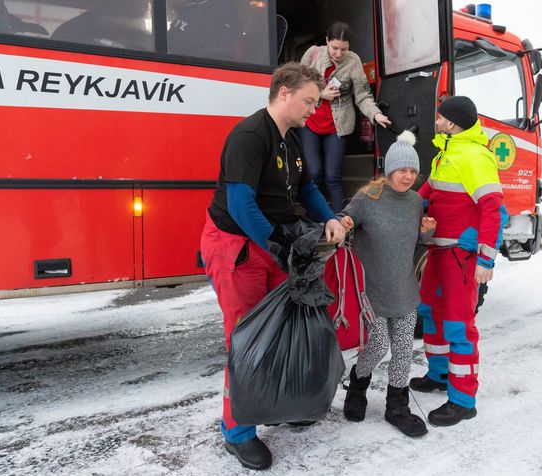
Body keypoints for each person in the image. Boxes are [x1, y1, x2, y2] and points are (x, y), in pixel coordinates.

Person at [200, 62, 346, 471]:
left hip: (273, 244)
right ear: (284, 93)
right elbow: (241, 205)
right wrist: (279, 245)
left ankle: (281, 402)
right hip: (238, 246)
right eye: (308, 101)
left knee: (285, 326)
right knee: (245, 337)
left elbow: (308, 188)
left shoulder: (291, 139)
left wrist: (330, 217)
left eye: (316, 103)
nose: (313, 111)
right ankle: (238, 432)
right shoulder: (249, 136)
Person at [410, 96, 507, 426]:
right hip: (438, 251)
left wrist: (486, 261)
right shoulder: (447, 153)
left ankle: (463, 399)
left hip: (460, 258)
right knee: (430, 313)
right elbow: (427, 195)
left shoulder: (475, 157)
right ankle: (438, 375)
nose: (435, 122)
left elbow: (494, 210)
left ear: (451, 123)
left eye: (439, 118)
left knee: (457, 324)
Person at [338, 131, 436, 437]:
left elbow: (412, 242)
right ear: (389, 170)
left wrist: (427, 233)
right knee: (378, 345)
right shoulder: (369, 198)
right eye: (402, 170)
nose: (407, 177)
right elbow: (345, 218)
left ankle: (397, 407)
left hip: (404, 289)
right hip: (372, 292)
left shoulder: (416, 201)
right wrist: (343, 223)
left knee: (404, 350)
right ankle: (358, 384)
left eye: (412, 171)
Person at [300, 21, 392, 212]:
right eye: (334, 48)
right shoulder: (313, 54)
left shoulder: (353, 61)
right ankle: (313, 220)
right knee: (314, 173)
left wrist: (376, 114)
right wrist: (320, 94)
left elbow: (362, 95)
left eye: (344, 49)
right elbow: (297, 86)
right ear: (327, 41)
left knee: (332, 176)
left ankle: (341, 222)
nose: (339, 54)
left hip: (338, 126)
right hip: (310, 121)